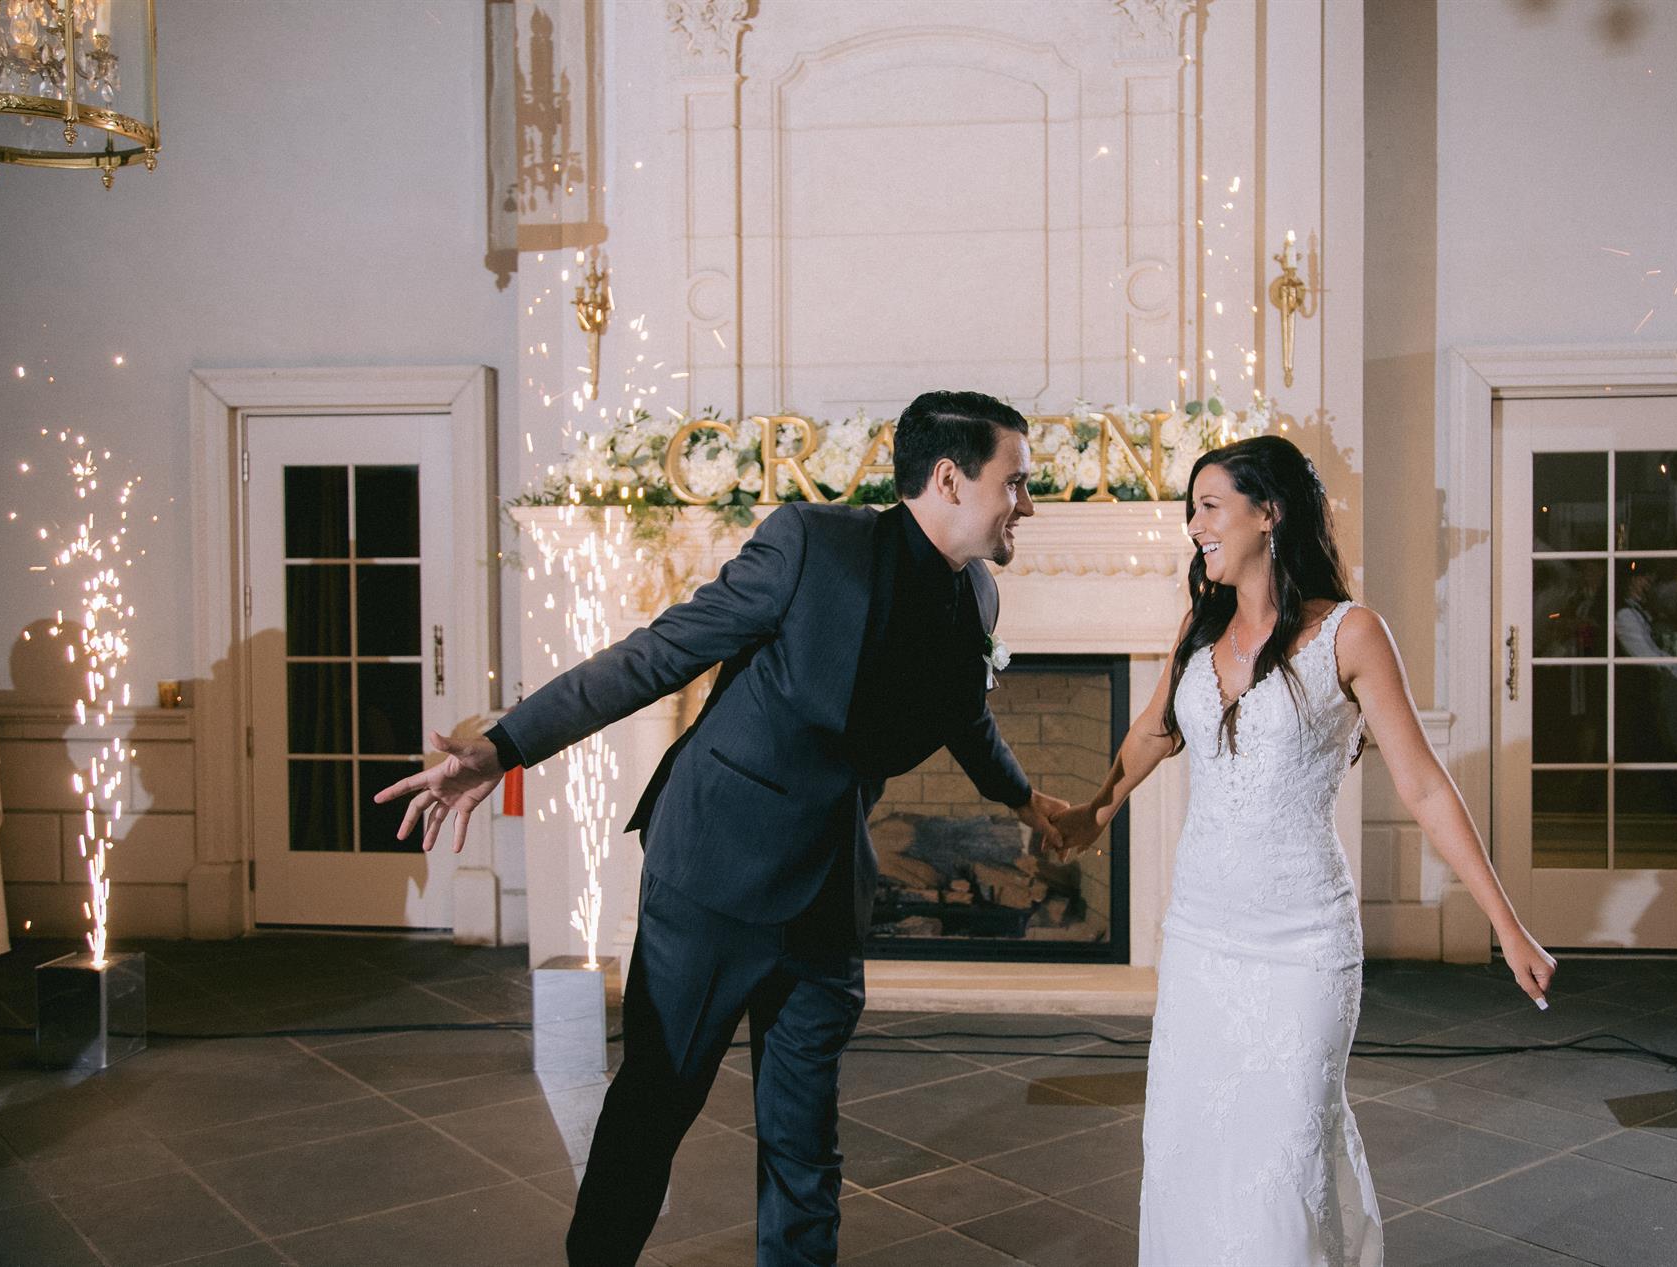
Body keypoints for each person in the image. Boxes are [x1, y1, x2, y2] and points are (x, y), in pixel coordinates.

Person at [375, 390, 1067, 1266]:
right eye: (1017, 481)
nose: (1028, 503)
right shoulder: (811, 545)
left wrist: (1027, 800)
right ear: (950, 479)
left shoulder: (978, 595)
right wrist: (503, 749)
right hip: (714, 870)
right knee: (655, 1105)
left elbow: (964, 715)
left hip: (827, 890)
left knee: (805, 1141)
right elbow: (656, 655)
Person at [1051, 435, 1556, 1266]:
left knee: (1282, 1159)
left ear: (1268, 513)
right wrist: (1093, 812)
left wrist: (1507, 926)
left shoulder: (1351, 634)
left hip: (1301, 943)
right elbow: (1154, 732)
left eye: (1209, 506)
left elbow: (1425, 787)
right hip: (1201, 936)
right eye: (1191, 510)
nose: (1194, 526)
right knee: (1192, 1148)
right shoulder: (1201, 626)